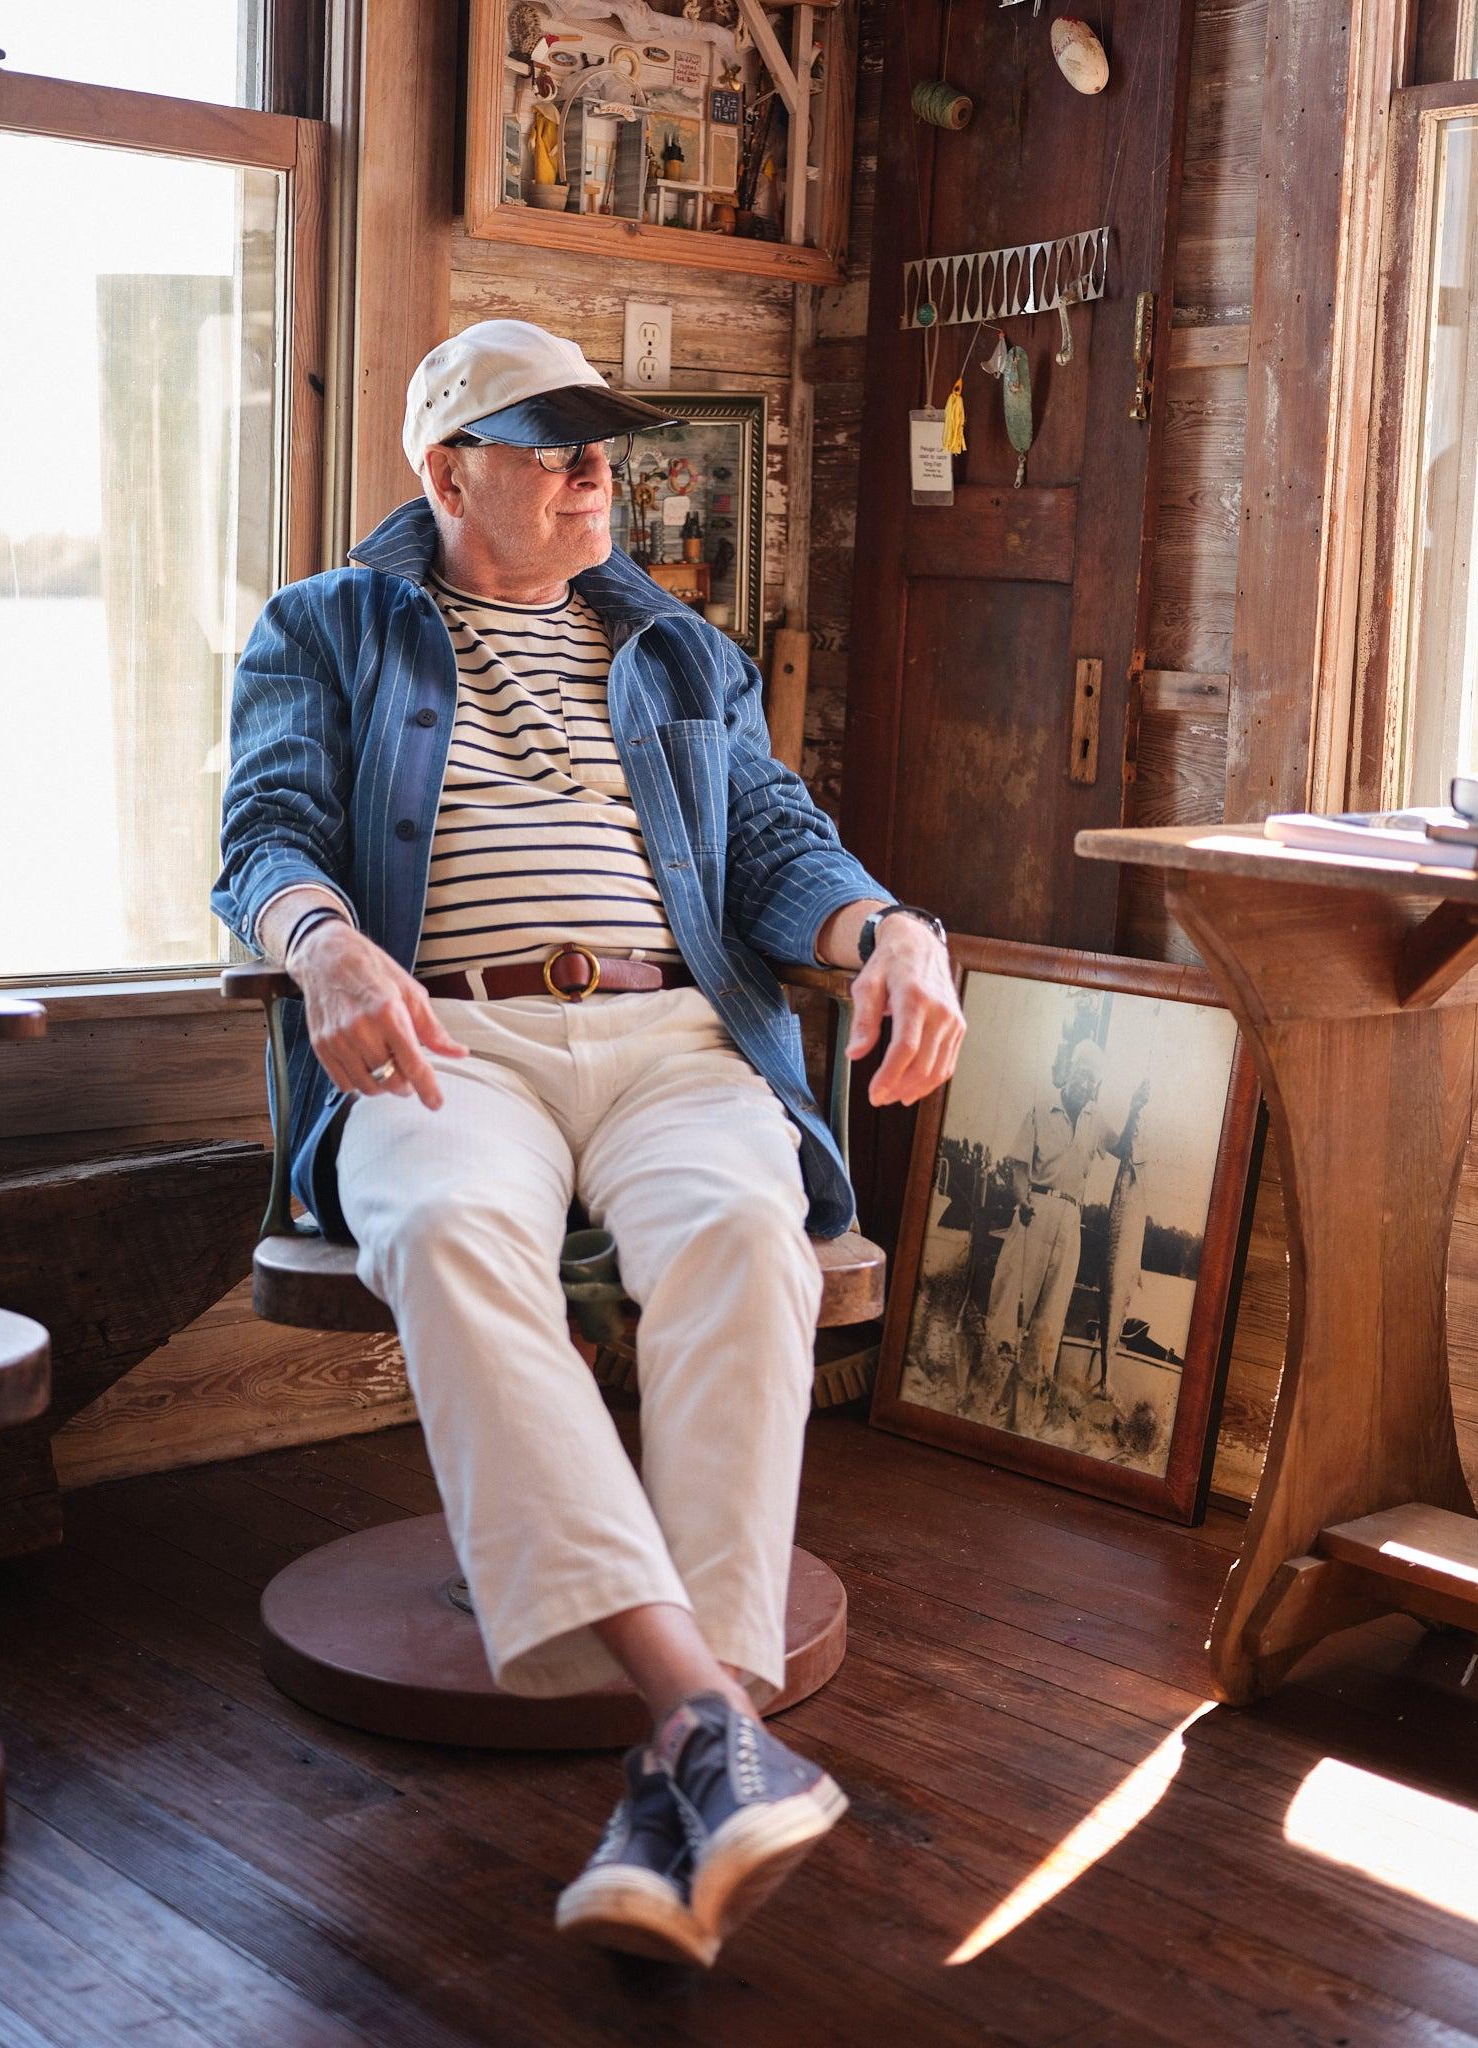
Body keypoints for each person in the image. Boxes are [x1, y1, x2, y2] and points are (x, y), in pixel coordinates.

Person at [214, 321, 964, 1967]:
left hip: (673, 1040)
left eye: (600, 442)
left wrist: (893, 929)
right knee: (449, 1232)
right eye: (547, 442)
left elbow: (778, 847)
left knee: (739, 1233)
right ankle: (709, 1713)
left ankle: (673, 1765)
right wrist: (326, 944)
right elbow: (261, 833)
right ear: (444, 471)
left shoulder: (679, 653)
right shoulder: (327, 628)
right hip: (445, 1035)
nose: (591, 470)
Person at [980, 1040, 1147, 1418]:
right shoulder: (1041, 1108)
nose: (1083, 1083)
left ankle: (1026, 1415)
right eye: (1079, 1073)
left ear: (1096, 1086)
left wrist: (1135, 1107)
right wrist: (1022, 1199)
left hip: (1072, 1219)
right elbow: (1019, 1167)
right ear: (1068, 1071)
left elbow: (1122, 1149)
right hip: (1034, 1209)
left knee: (1050, 1318)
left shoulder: (1095, 1118)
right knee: (1010, 1305)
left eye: (1091, 1079)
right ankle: (985, 1399)